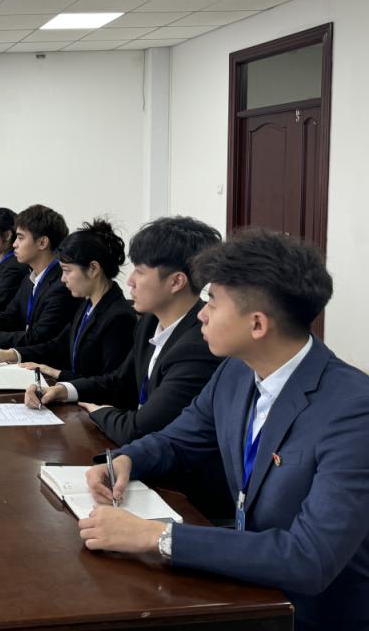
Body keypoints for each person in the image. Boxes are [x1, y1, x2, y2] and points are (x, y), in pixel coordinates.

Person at [78, 230, 369, 631]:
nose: (201, 313)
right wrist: (127, 459)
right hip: (245, 588)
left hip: (311, 615)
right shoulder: (236, 371)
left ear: (257, 324)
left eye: (213, 301)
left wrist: (157, 537)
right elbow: (178, 440)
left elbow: (309, 558)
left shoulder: (353, 410)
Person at [27, 217, 223, 446]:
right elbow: (120, 382)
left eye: (139, 271)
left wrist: (98, 411)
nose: (130, 281)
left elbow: (139, 429)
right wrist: (63, 390)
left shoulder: (198, 346)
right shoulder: (149, 322)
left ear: (176, 282)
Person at [0, 219, 135, 378]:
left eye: (67, 271)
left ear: (93, 269)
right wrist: (13, 354)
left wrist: (58, 374)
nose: (63, 279)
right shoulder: (87, 305)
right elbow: (58, 346)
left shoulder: (119, 317)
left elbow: (111, 383)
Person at [0, 204, 76, 348]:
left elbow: (36, 338)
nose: (15, 244)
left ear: (42, 243)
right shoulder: (29, 279)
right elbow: (9, 317)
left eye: (20, 238)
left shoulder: (61, 285)